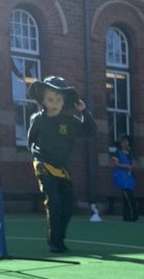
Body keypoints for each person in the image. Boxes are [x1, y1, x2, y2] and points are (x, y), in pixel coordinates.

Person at [26, 75, 97, 253]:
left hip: (61, 169)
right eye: (50, 99)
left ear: (64, 100)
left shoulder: (71, 122)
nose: (55, 102)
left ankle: (60, 238)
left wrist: (83, 113)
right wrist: (37, 158)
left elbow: (90, 131)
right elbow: (30, 140)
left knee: (69, 204)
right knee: (54, 202)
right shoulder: (38, 119)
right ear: (43, 100)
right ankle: (54, 242)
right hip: (43, 164)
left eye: (58, 99)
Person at [109, 133, 138, 222]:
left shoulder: (130, 153)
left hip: (129, 178)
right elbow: (114, 163)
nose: (126, 143)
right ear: (120, 143)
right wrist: (127, 166)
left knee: (126, 199)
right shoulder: (117, 152)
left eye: (126, 141)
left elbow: (133, 163)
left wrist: (132, 166)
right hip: (121, 177)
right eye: (124, 141)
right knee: (130, 197)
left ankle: (126, 217)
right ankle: (134, 216)